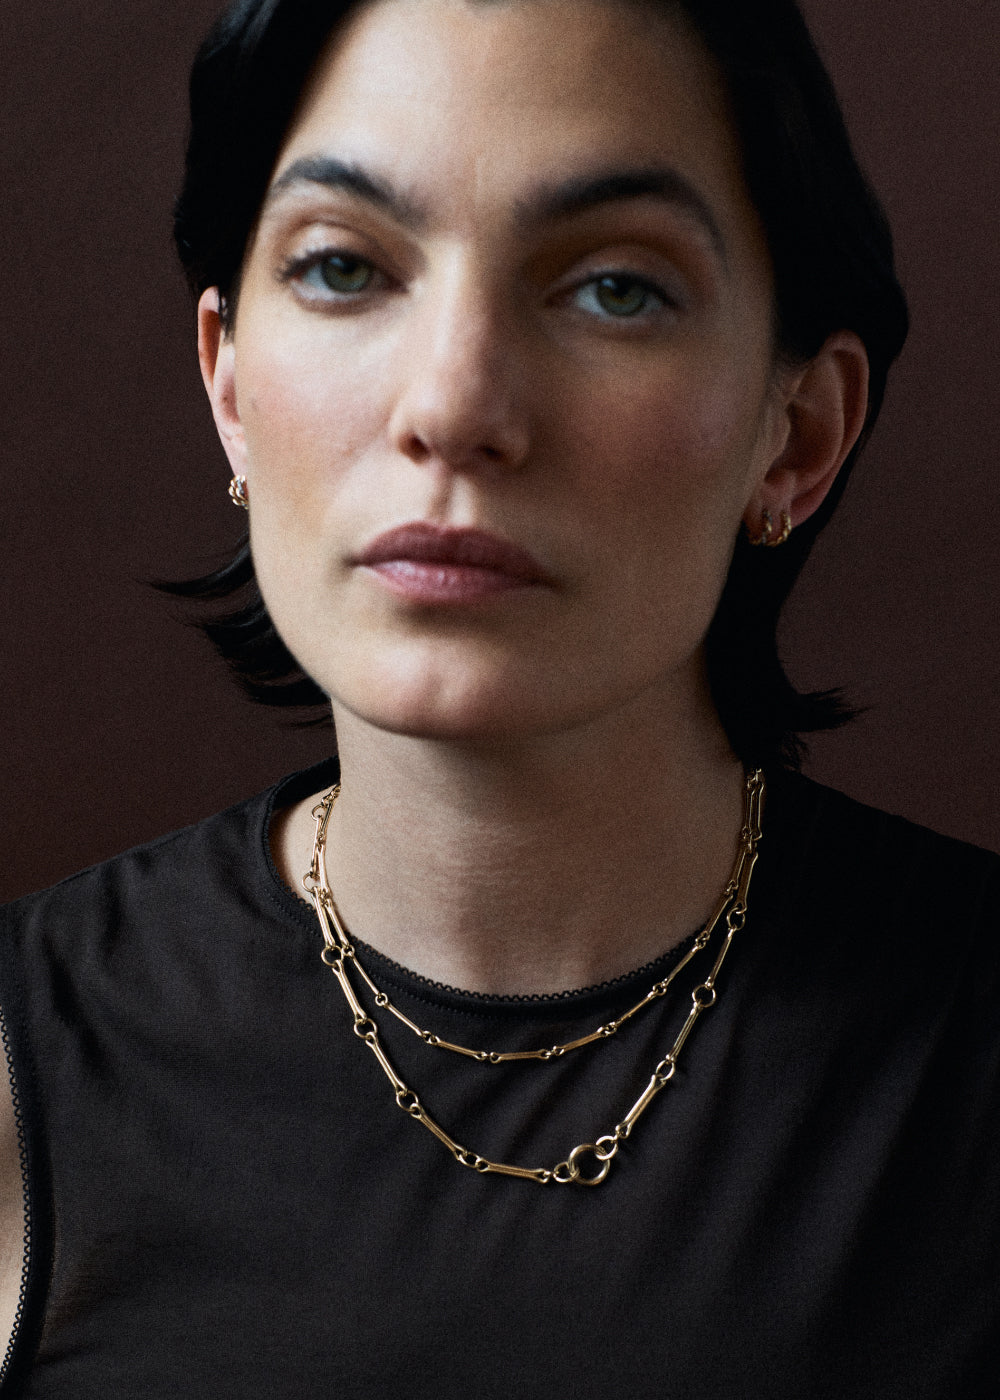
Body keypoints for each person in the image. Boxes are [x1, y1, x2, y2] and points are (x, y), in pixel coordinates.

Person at [0, 0, 995, 1395]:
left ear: (799, 433)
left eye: (616, 289)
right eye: (343, 267)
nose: (455, 406)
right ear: (229, 385)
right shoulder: (21, 1068)